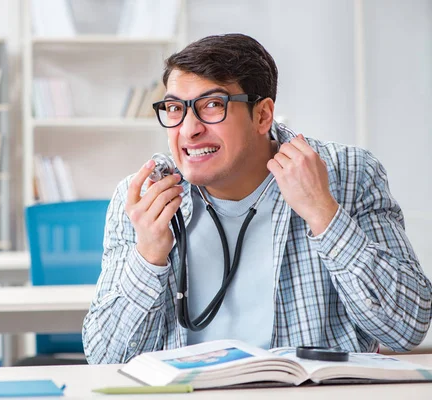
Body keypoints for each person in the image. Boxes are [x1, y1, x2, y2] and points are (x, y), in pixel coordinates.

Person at [82, 33, 432, 364]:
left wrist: (324, 214)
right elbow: (105, 360)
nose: (189, 129)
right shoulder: (144, 199)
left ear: (262, 115)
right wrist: (149, 256)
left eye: (212, 105)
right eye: (175, 109)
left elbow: (406, 329)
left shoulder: (348, 175)